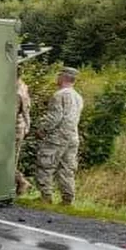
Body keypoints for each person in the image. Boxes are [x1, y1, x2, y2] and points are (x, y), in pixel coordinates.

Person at [35, 66, 83, 204]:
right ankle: (67, 199)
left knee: (46, 165)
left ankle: (46, 197)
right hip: (73, 137)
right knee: (67, 169)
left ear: (63, 77)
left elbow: (54, 117)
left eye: (58, 75)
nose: (57, 78)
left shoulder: (59, 95)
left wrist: (42, 130)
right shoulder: (78, 97)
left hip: (57, 137)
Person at [14, 75, 32, 195]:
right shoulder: (23, 87)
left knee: (5, 160)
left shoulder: (16, 92)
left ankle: (21, 181)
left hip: (13, 129)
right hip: (19, 127)